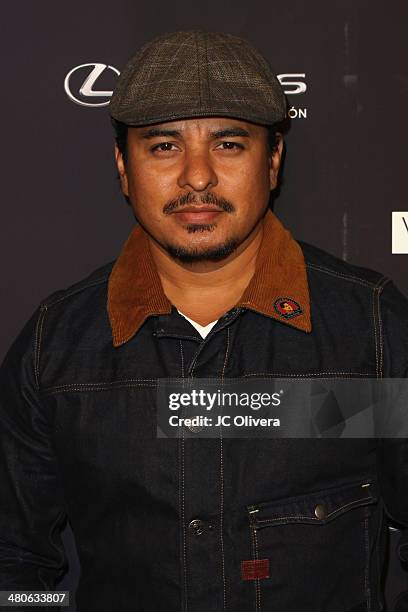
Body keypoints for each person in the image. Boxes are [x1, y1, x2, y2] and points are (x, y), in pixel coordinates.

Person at [0, 30, 407, 612]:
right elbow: (15, 563)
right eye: (164, 146)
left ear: (273, 160)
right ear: (122, 165)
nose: (197, 177)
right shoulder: (55, 347)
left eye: (229, 145)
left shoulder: (370, 330)